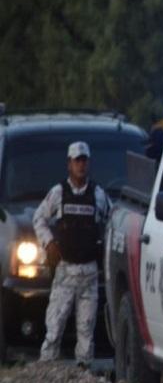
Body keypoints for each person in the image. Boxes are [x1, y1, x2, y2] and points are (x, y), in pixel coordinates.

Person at [33, 141, 111, 368]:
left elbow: (111, 222)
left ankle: (83, 379)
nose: (81, 165)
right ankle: (45, 374)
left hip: (89, 273)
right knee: (54, 328)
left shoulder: (98, 195)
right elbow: (39, 218)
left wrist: (103, 247)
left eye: (84, 160)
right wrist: (48, 244)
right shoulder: (58, 193)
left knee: (86, 332)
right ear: (69, 164)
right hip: (65, 271)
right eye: (77, 161)